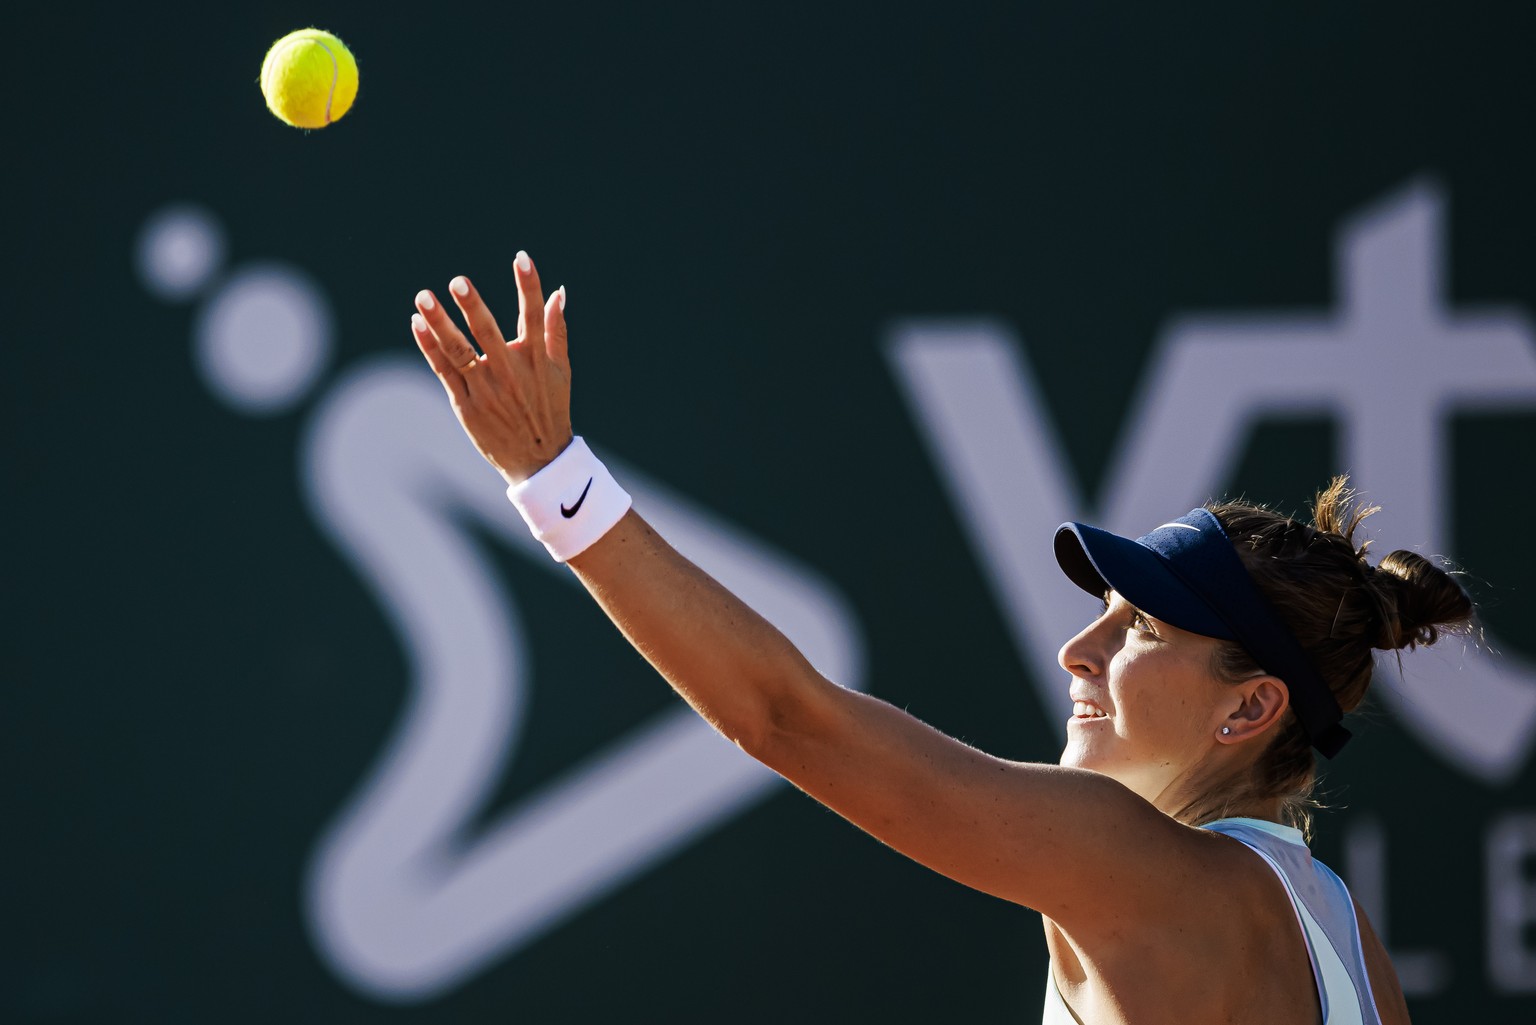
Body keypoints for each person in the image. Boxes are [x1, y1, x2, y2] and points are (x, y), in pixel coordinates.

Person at [407, 253, 1475, 1025]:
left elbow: (785, 716)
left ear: (1248, 707)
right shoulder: (1343, 932)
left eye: (1139, 627)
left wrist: (554, 481)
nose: (1079, 654)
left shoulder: (1130, 863)